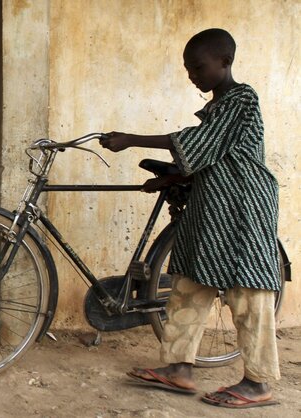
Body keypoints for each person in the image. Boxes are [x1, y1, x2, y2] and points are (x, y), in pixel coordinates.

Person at [99, 28, 281, 409]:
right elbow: (212, 156)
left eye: (197, 66)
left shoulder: (242, 99)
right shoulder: (217, 108)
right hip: (211, 214)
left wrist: (131, 137)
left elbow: (201, 144)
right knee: (188, 287)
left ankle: (258, 383)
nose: (191, 75)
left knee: (249, 296)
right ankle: (178, 368)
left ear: (225, 62)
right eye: (187, 68)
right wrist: (168, 179)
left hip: (242, 213)